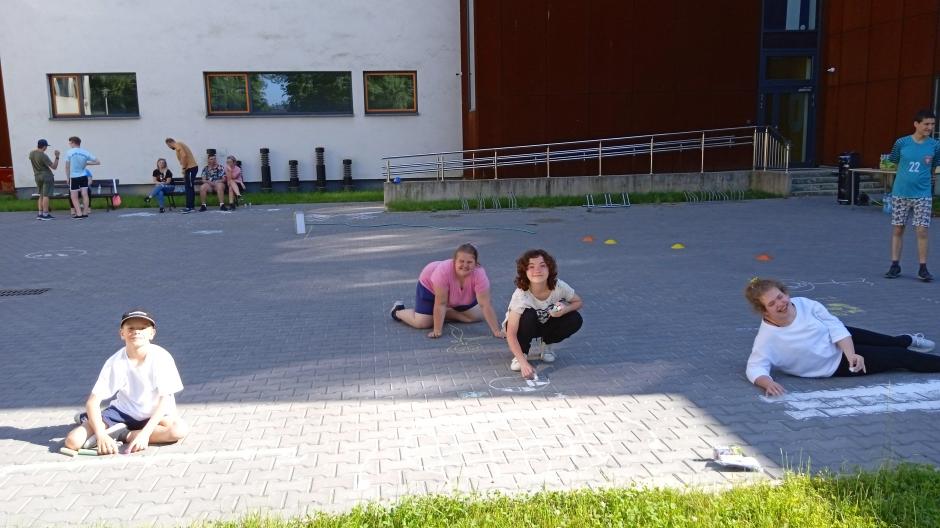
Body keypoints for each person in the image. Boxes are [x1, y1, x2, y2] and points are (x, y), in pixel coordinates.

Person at [744, 278, 939, 396]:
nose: (780, 303)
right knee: (899, 356)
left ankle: (907, 340)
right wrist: (768, 383)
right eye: (772, 304)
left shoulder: (804, 303)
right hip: (834, 363)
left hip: (838, 338)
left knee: (889, 342)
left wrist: (851, 353)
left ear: (785, 293)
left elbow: (835, 326)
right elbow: (755, 367)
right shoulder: (767, 338)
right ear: (764, 311)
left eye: (780, 296)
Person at [63, 309, 189, 454]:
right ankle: (93, 420)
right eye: (131, 328)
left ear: (152, 333)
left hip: (155, 415)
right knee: (73, 441)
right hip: (122, 413)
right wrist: (101, 435)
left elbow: (165, 401)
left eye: (143, 328)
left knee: (178, 430)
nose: (136, 332)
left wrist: (145, 434)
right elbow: (92, 402)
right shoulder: (114, 362)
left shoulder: (162, 357)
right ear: (122, 333)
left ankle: (123, 434)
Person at [390, 243, 505, 339]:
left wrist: (496, 331)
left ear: (475, 263)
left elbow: (485, 305)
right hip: (430, 287)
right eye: (461, 261)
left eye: (469, 262)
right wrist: (437, 330)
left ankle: (441, 314)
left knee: (477, 315)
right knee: (422, 323)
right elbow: (441, 303)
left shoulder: (479, 274)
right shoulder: (443, 271)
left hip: (455, 295)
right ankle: (398, 311)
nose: (465, 265)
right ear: (454, 261)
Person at [504, 249, 583, 379]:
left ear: (549, 268)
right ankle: (522, 354)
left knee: (575, 319)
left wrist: (564, 310)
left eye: (542, 265)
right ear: (524, 272)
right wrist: (523, 364)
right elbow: (511, 333)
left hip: (546, 323)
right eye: (531, 266)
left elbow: (578, 302)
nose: (537, 270)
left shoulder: (558, 286)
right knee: (528, 315)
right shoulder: (521, 294)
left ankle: (546, 344)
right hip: (524, 328)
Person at [884, 109, 940, 282]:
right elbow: (893, 162)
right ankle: (895, 264)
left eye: (932, 124)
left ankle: (923, 267)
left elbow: (934, 166)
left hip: (922, 194)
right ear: (916, 124)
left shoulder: (935, 145)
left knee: (922, 230)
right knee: (898, 228)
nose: (929, 127)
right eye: (926, 124)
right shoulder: (901, 142)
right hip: (900, 192)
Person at [64, 136, 99, 219]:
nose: (69, 144)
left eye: (70, 143)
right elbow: (98, 162)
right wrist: (87, 163)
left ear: (73, 142)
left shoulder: (69, 152)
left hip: (74, 177)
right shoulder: (85, 152)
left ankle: (79, 214)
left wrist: (67, 177)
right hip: (84, 176)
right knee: (85, 194)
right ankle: (85, 213)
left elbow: (67, 166)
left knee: (74, 196)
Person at [29, 139, 59, 220]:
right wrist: (57, 157)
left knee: (41, 195)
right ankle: (45, 214)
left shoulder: (32, 153)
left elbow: (32, 157)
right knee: (46, 195)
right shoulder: (43, 155)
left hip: (37, 176)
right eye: (46, 146)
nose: (46, 148)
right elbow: (54, 167)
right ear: (44, 146)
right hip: (46, 176)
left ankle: (40, 213)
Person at [165, 138, 198, 214]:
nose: (169, 147)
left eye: (168, 146)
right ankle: (190, 207)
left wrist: (183, 168)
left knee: (189, 188)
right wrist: (184, 172)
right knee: (188, 187)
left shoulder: (177, 144)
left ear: (169, 143)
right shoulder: (179, 145)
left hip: (190, 168)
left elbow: (184, 155)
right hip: (189, 169)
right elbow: (184, 157)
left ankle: (190, 207)